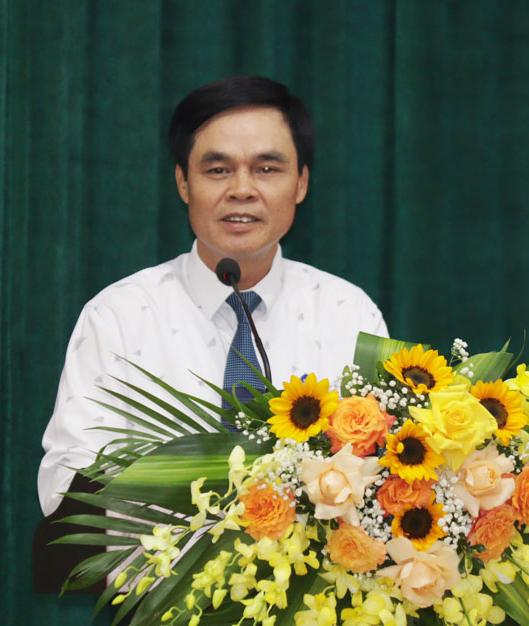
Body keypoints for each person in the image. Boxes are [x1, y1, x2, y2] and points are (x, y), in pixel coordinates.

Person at [37, 76, 388, 516]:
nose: (241, 189)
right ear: (183, 183)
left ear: (301, 183)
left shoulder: (350, 313)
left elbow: (384, 475)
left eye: (266, 169)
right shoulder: (118, 317)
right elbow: (67, 486)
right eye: (218, 170)